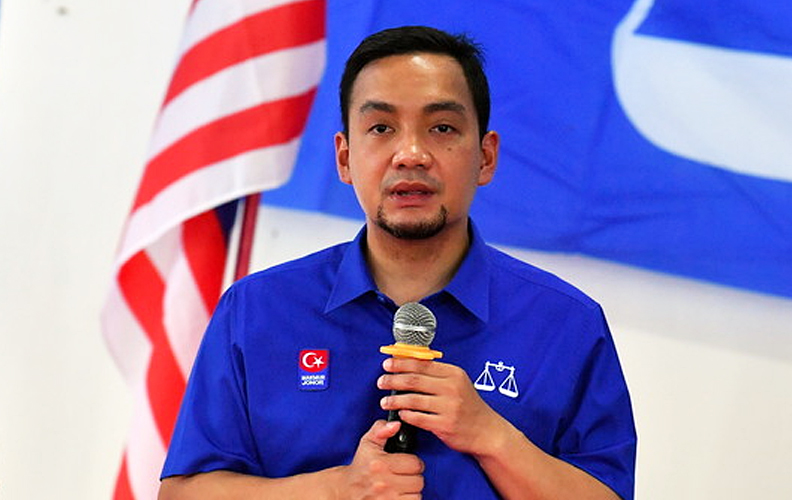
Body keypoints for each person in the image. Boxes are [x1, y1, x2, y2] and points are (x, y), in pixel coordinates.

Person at [159, 25, 636, 500]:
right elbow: (182, 494)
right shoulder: (257, 310)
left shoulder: (564, 324)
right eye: (382, 128)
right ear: (344, 158)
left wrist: (490, 436)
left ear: (486, 157)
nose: (411, 155)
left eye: (442, 128)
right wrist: (336, 490)